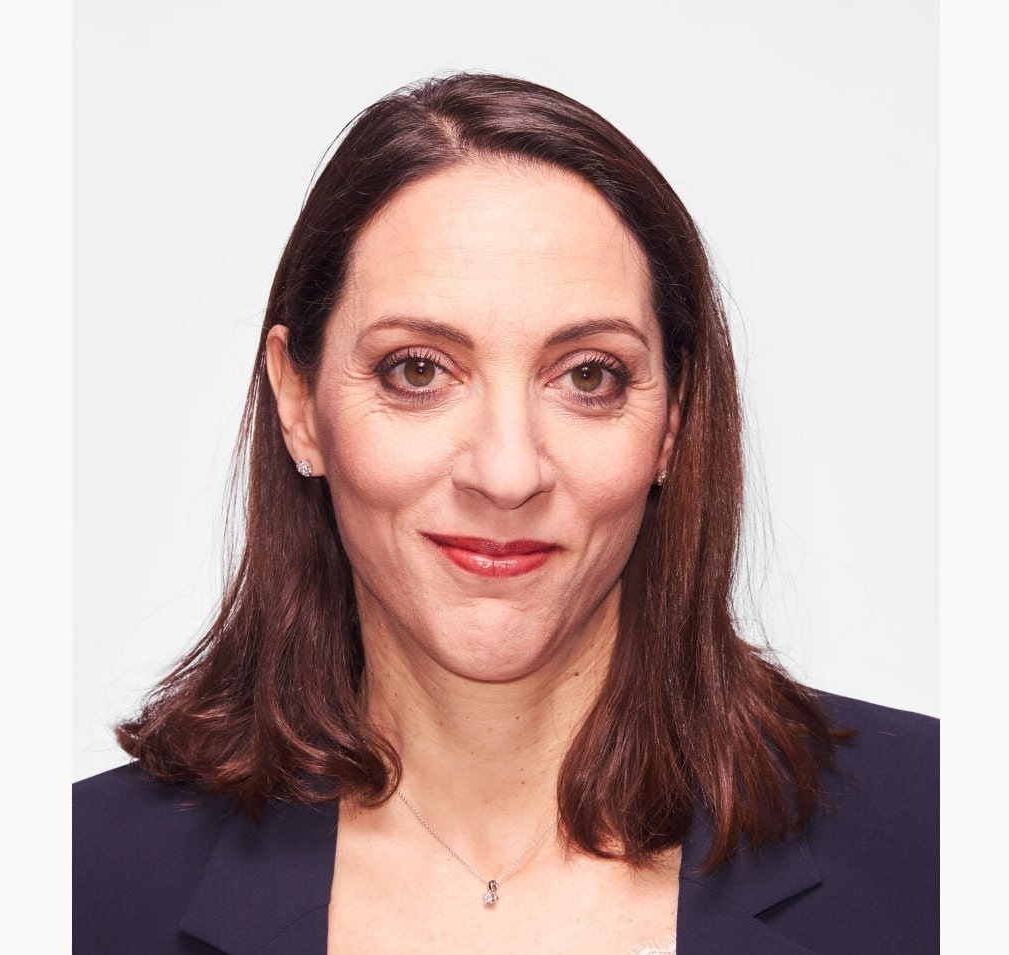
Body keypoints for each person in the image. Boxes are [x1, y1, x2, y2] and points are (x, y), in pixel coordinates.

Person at [73, 73, 938, 954]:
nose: (506, 473)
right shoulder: (76, 887)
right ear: (298, 404)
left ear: (673, 421)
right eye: (417, 370)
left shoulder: (948, 838)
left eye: (588, 375)